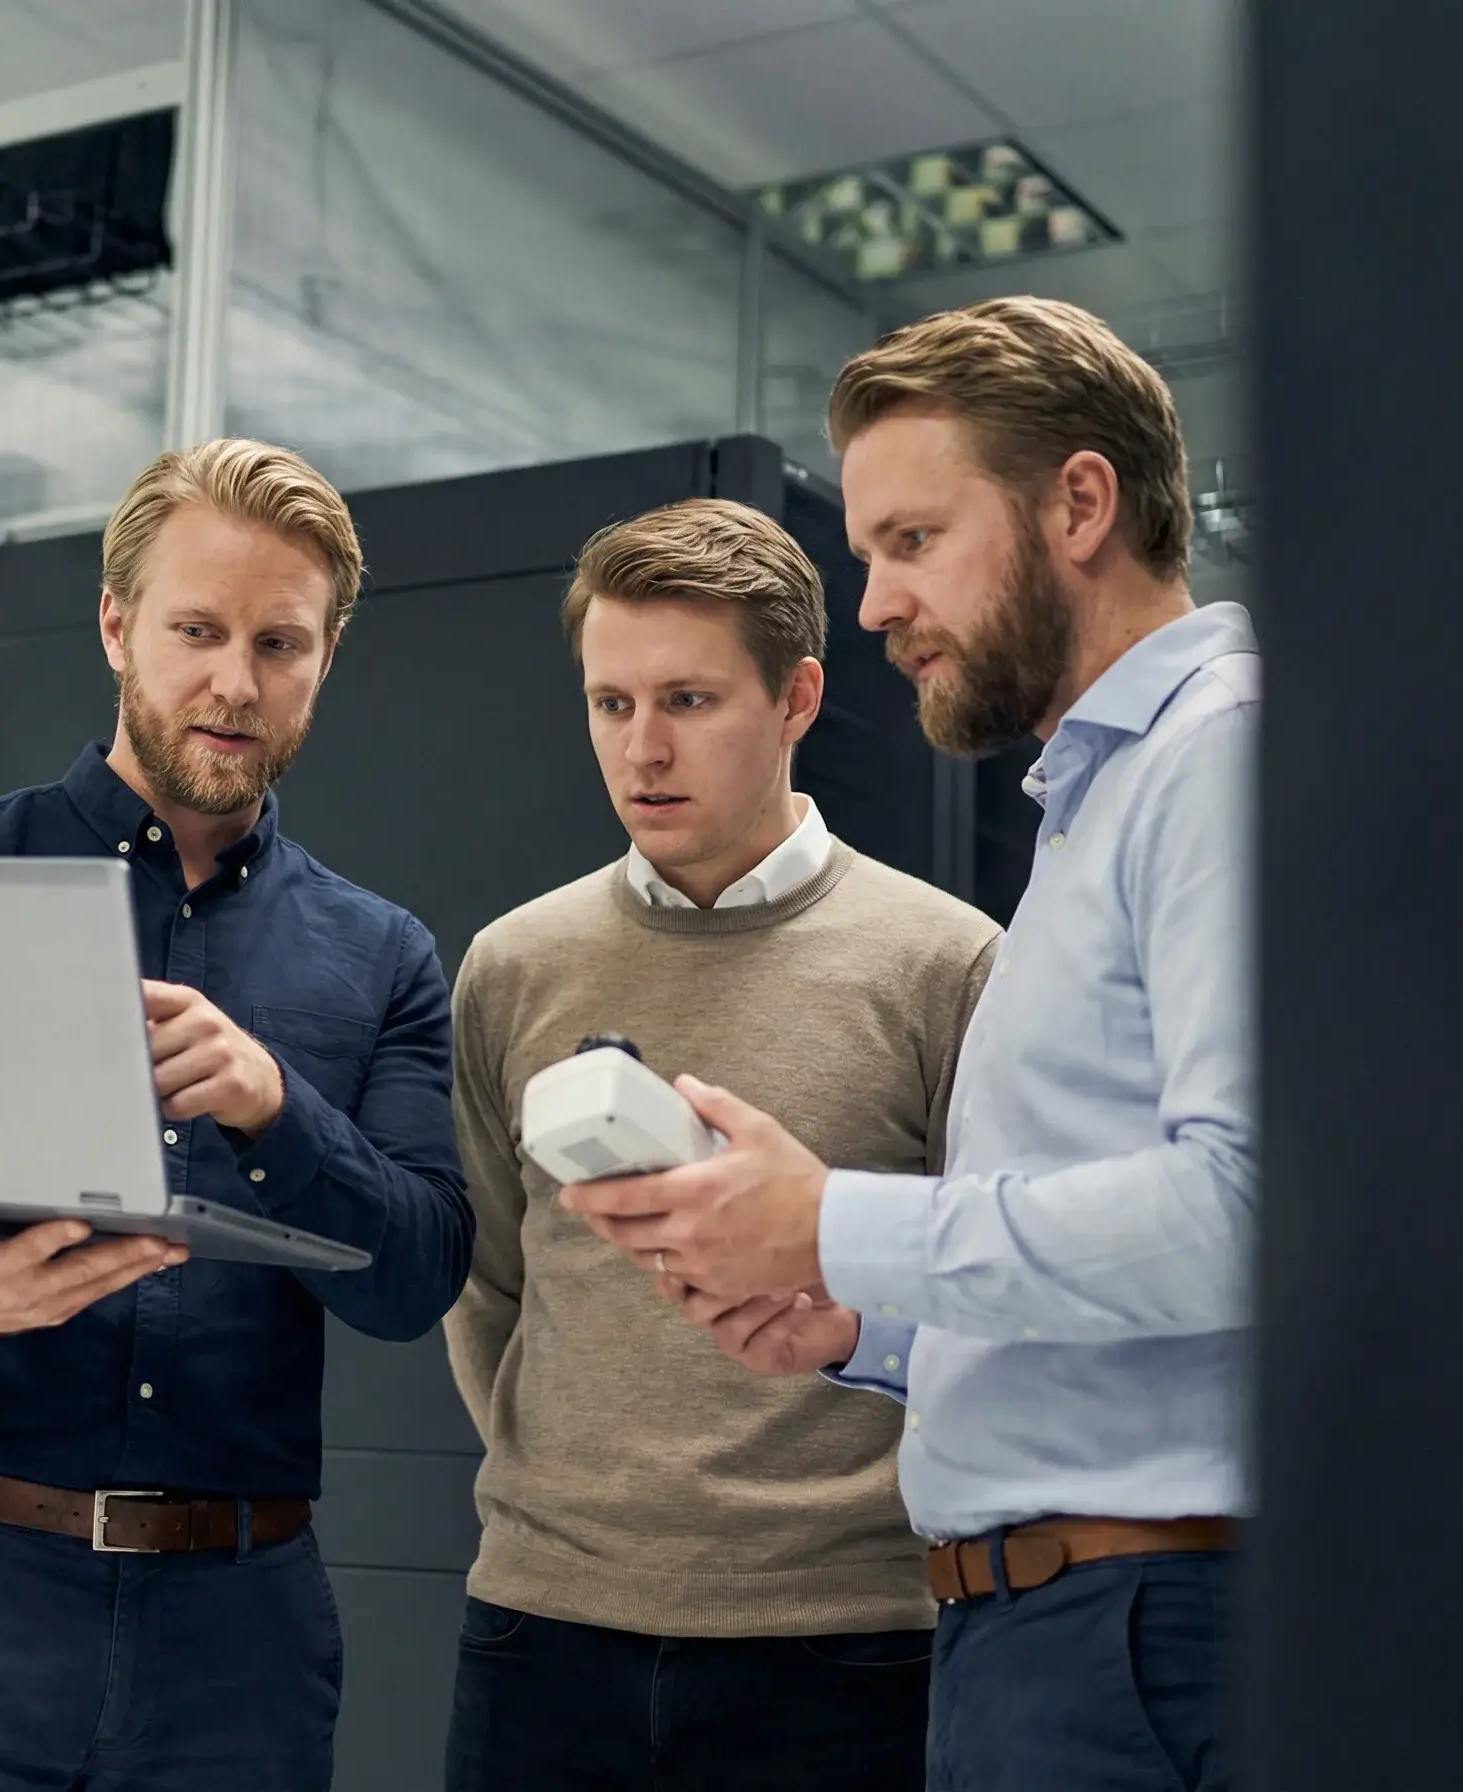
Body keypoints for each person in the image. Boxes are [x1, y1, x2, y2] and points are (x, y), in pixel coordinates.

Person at [562, 298, 1255, 1792]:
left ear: (1083, 502)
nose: (872, 604)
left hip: (1144, 1637)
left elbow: (1256, 1212)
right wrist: (863, 1325)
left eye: (913, 542)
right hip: (1057, 1635)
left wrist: (834, 1222)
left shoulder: (1220, 762)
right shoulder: (1096, 806)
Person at [0, 437, 476, 1792]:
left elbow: (420, 1274)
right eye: (197, 630)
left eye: (280, 644)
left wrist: (276, 1110)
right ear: (118, 625)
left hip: (237, 1641)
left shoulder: (382, 957)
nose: (235, 683)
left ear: (326, 659)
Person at [441, 498, 1000, 1792]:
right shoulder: (513, 967)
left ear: (798, 697)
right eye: (609, 704)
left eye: (688, 701)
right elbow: (487, 1284)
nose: (641, 750)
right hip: (542, 1633)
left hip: (847, 1649)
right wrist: (575, 1488)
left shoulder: (948, 965)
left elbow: (989, 1293)